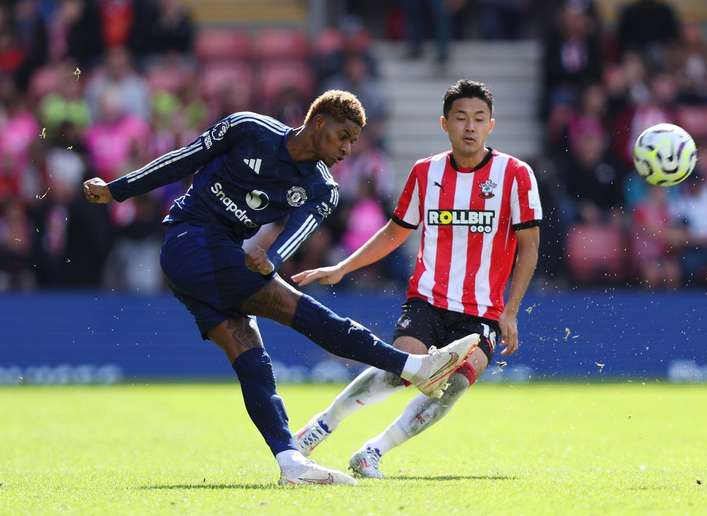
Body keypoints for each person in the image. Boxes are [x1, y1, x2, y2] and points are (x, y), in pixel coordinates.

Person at [82, 90, 479, 485]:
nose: (347, 148)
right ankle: (413, 367)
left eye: (354, 141)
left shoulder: (323, 189)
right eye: (343, 135)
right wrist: (118, 189)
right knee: (298, 310)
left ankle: (291, 462)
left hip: (219, 262)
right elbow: (185, 158)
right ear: (319, 122)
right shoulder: (247, 128)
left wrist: (272, 258)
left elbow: (297, 232)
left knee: (252, 357)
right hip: (190, 240)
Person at [292, 80, 542, 478]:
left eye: (479, 118)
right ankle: (322, 425)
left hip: (483, 310)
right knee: (398, 370)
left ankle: (373, 451)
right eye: (461, 118)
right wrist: (342, 268)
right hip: (428, 297)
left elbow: (529, 245)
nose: (470, 127)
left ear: (491, 125)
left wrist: (511, 311)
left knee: (455, 384)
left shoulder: (515, 174)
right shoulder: (426, 172)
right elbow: (395, 232)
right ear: (444, 123)